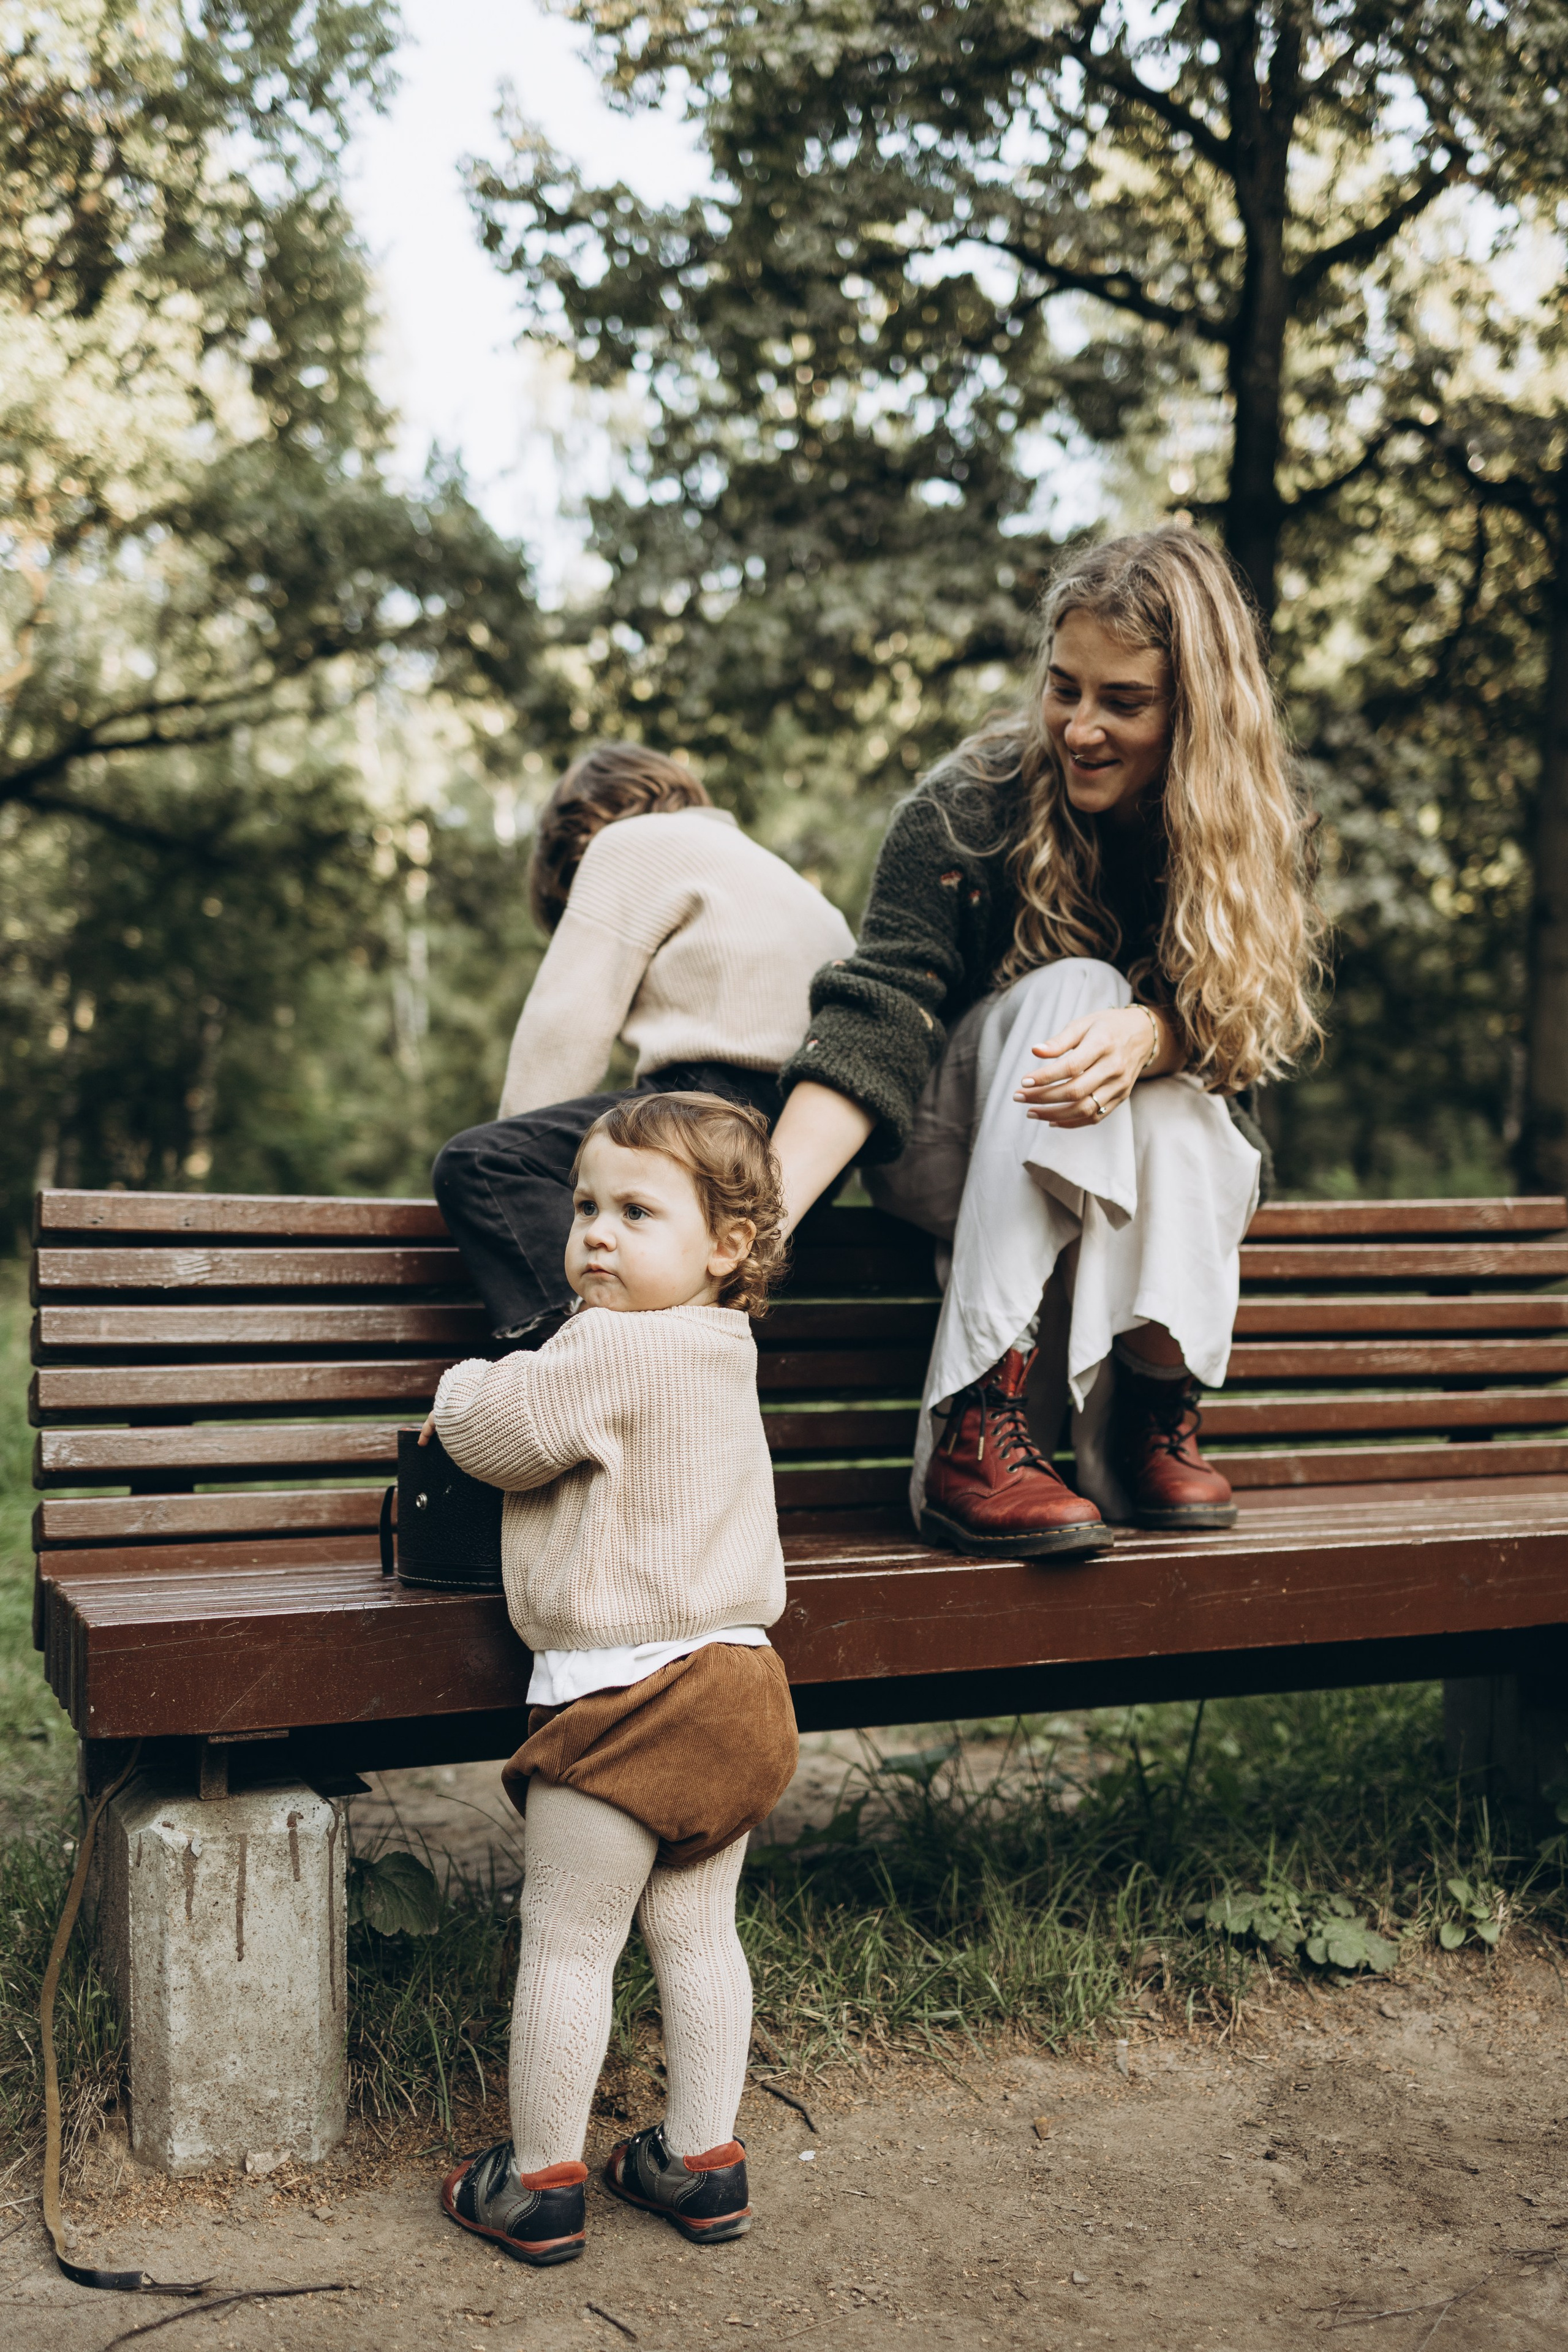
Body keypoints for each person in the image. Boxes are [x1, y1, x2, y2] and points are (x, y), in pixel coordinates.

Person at [767, 527, 1323, 1554]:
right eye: (1064, 689)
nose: (1080, 727)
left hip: (1111, 1180)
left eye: (1124, 702)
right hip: (948, 1147)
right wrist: (757, 1223)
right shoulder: (966, 809)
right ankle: (974, 1422)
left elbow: (1229, 1054)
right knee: (1078, 987)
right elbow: (878, 1014)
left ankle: (1148, 1416)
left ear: (1196, 714)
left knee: (1184, 1105)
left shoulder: (1233, 841)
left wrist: (1152, 1036)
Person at [431, 1091, 799, 2267]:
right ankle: (701, 2160)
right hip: (742, 1689)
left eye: (637, 1212)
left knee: (570, 1941)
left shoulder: (604, 1347)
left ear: (725, 1246)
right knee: (699, 1934)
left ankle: (538, 2181)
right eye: (586, 1205)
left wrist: (456, 1392)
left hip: (625, 1698)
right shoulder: (725, 1347)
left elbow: (503, 1436)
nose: (595, 1232)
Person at [434, 743, 854, 1348]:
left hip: (709, 1101)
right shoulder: (781, 878)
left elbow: (564, 1024)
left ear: (578, 836)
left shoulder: (626, 842)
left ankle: (576, 1374)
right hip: (812, 1142)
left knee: (483, 1164)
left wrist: (537, 1158)